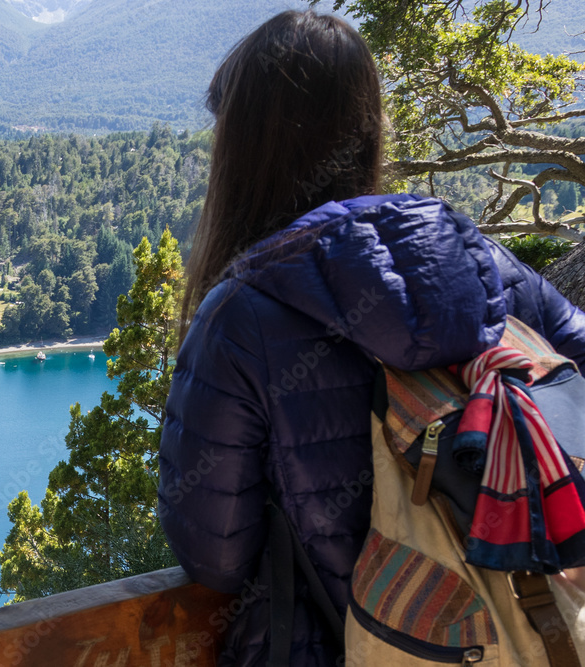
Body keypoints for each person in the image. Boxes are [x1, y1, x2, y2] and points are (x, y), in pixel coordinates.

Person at [157, 10, 585, 666]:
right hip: (518, 635)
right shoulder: (485, 265)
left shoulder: (241, 317)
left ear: (243, 154)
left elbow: (212, 552)